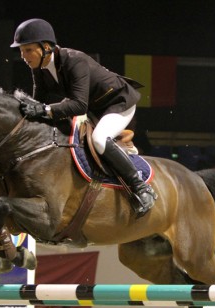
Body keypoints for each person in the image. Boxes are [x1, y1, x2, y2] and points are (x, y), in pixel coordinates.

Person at [10, 18, 156, 216]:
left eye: (27, 50)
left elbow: (79, 105)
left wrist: (44, 110)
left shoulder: (74, 60)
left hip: (118, 102)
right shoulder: (39, 68)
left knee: (99, 139)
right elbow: (40, 102)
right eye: (21, 51)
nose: (23, 56)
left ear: (45, 47)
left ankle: (141, 188)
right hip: (95, 109)